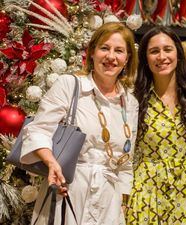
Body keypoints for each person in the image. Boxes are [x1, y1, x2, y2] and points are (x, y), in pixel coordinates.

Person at [20, 22, 139, 225]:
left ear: (127, 59)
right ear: (92, 52)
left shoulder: (130, 102)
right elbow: (38, 129)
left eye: (119, 51)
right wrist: (51, 163)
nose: (111, 56)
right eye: (104, 48)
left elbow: (126, 163)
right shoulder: (70, 85)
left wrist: (123, 201)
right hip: (67, 190)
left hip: (109, 202)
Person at [126, 26, 186, 224]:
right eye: (154, 51)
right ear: (145, 58)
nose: (161, 56)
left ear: (178, 52)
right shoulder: (133, 97)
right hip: (145, 197)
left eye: (167, 49)